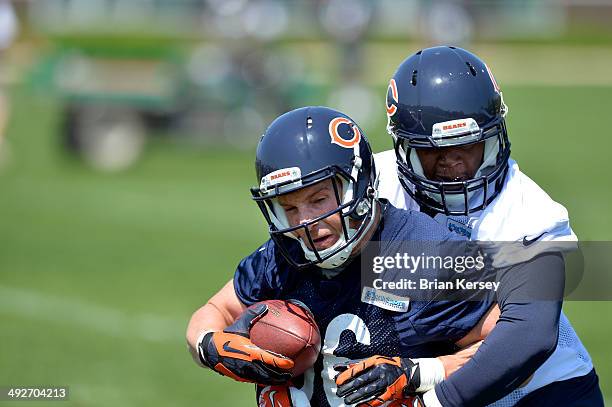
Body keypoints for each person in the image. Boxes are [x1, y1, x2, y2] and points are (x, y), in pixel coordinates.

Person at [338, 46, 602, 406]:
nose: (455, 163)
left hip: (540, 391)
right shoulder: (376, 184)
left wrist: (425, 385)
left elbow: (527, 336)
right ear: (404, 148)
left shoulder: (530, 213)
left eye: (469, 145)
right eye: (435, 151)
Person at [186, 106, 498, 407]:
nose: (304, 223)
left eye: (318, 200)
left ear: (360, 185)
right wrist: (211, 346)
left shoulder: (422, 253)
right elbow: (217, 309)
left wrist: (418, 374)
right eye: (289, 208)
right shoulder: (283, 254)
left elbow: (503, 347)